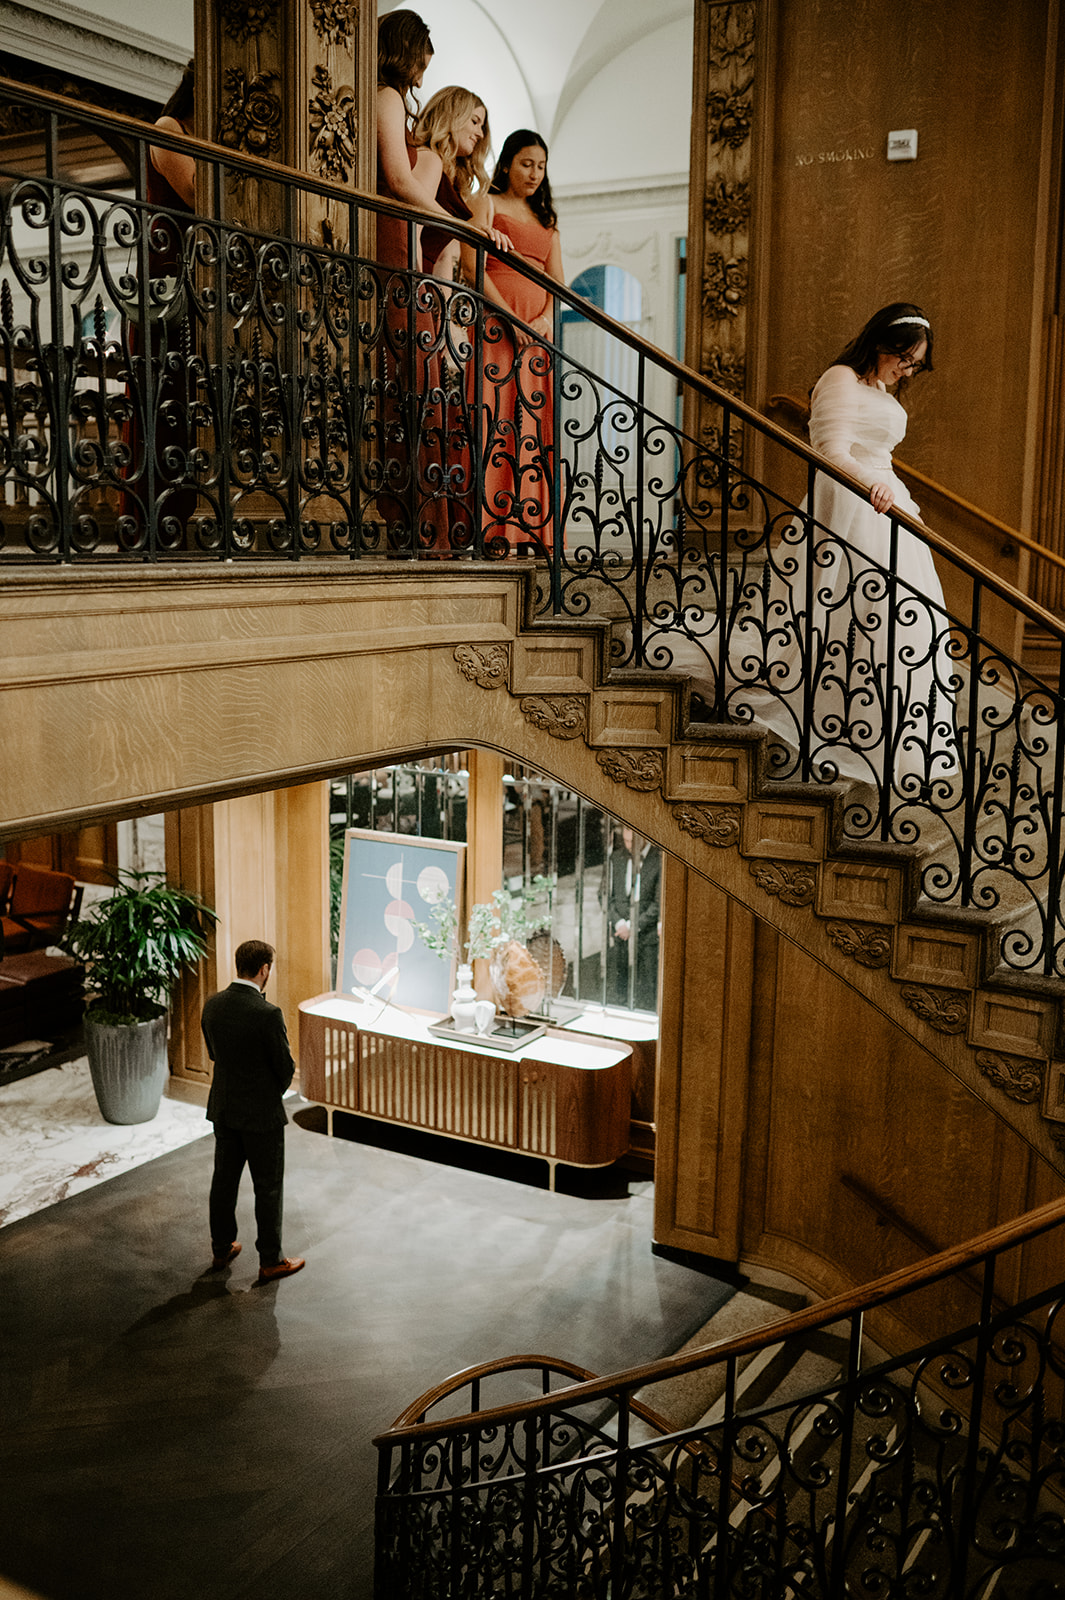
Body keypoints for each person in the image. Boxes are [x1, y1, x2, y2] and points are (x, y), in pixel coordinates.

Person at [670, 303, 956, 792]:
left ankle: (883, 736)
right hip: (853, 502)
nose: (906, 370)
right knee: (855, 612)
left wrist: (886, 489)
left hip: (884, 503)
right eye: (903, 358)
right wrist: (874, 485)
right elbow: (830, 450)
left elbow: (874, 450)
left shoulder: (880, 388)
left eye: (914, 364)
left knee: (899, 620)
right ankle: (838, 723)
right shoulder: (840, 378)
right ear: (880, 343)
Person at [465, 129, 564, 554]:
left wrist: (542, 320)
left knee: (531, 429)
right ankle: (491, 527)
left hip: (536, 341)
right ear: (507, 163)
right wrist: (509, 315)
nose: (535, 174)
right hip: (497, 331)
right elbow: (472, 266)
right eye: (527, 164)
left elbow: (559, 285)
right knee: (496, 420)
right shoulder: (486, 202)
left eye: (541, 166)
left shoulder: (548, 223)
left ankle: (529, 528)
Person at [201, 939, 304, 1284]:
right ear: (264, 970)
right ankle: (271, 1260)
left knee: (224, 1181)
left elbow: (215, 1054)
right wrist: (267, 1094)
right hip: (261, 1117)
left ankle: (221, 1247)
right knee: (268, 1187)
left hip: (225, 1110)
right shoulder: (267, 1014)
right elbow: (285, 1068)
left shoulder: (213, 1005)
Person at [412, 86, 493, 280]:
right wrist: (414, 284)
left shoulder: (453, 180)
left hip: (426, 279)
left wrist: (442, 305)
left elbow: (444, 256)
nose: (480, 134)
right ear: (452, 116)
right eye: (475, 122)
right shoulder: (428, 159)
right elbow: (411, 230)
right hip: (410, 273)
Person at [604, 827, 661, 1011]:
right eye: (626, 841)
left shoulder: (659, 859)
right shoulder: (616, 858)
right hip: (620, 935)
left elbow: (658, 903)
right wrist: (619, 923)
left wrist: (633, 926)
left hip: (647, 937)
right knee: (621, 988)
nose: (629, 846)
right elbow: (604, 895)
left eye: (633, 842)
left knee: (647, 989)